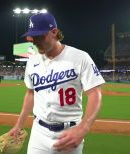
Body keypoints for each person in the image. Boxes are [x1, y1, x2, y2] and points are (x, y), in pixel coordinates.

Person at [8, 13, 105, 154]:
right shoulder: (32, 60)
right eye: (32, 38)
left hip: (69, 134)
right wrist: (18, 125)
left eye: (39, 37)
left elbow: (95, 93)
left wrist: (83, 128)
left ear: (54, 32)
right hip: (38, 133)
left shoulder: (80, 57)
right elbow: (30, 93)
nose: (34, 42)